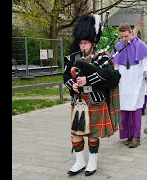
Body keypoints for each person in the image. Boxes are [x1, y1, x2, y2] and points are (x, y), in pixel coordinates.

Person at [63, 15, 121, 176]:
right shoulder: (72, 58)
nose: (83, 46)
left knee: (93, 134)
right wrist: (72, 85)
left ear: (93, 42)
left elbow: (110, 75)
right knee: (76, 133)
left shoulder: (101, 57)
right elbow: (66, 76)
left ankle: (92, 162)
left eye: (86, 43)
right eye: (81, 43)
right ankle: (79, 161)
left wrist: (88, 79)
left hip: (95, 100)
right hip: (78, 101)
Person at [111, 23, 147, 148]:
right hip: (123, 82)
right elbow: (115, 64)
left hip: (136, 81)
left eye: (126, 36)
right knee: (124, 109)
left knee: (135, 109)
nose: (124, 39)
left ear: (131, 33)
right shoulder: (119, 46)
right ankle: (128, 135)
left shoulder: (140, 45)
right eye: (122, 37)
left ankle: (136, 137)